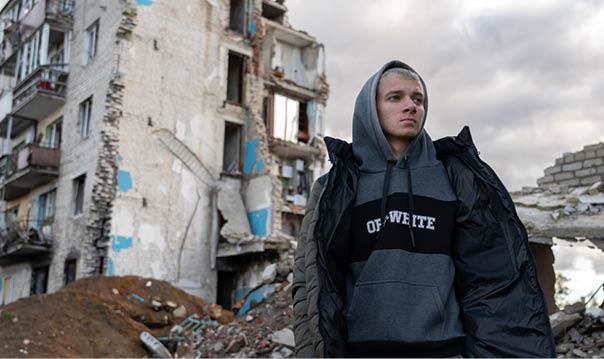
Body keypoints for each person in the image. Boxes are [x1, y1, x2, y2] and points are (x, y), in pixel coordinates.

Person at [292, 60, 555, 357]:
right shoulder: (338, 187)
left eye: (417, 99)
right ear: (370, 108)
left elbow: (488, 282)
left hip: (445, 350)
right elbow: (309, 283)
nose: (411, 106)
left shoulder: (455, 179)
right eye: (395, 98)